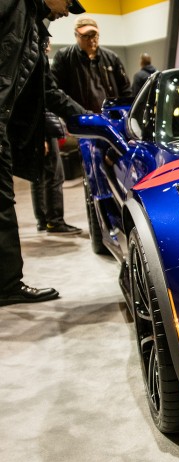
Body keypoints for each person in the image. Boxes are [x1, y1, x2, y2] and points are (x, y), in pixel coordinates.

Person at [0, 0, 86, 307]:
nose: (66, 11)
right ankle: (7, 286)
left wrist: (86, 118)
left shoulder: (34, 28)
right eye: (67, 3)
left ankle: (7, 283)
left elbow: (47, 90)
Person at [31, 40, 82, 236]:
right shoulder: (38, 62)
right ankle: (54, 221)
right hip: (43, 129)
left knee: (38, 176)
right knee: (54, 175)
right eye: (47, 42)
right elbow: (46, 98)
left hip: (36, 129)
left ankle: (43, 220)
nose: (50, 46)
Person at [51, 16, 132, 113]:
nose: (91, 40)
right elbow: (55, 92)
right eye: (86, 36)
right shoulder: (64, 57)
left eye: (94, 35)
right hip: (79, 119)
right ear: (76, 35)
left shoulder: (112, 57)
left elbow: (125, 90)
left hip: (110, 118)